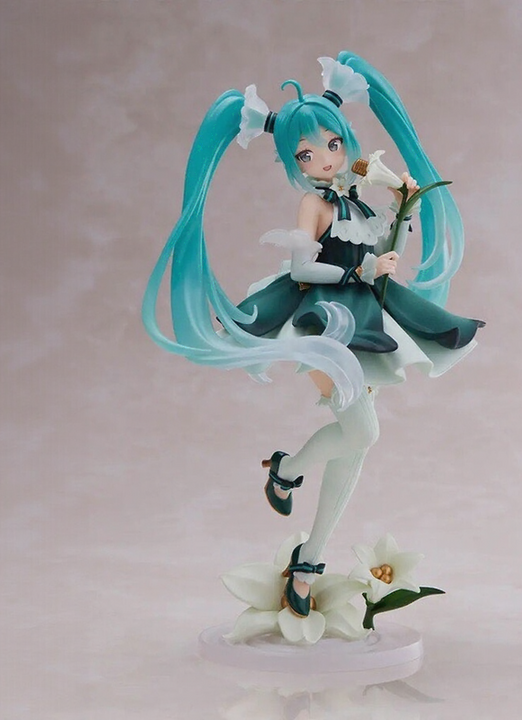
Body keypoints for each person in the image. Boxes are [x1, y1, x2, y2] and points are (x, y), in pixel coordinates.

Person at [143, 52, 483, 619]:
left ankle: (309, 559)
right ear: (292, 161)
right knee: (364, 432)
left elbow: (382, 245)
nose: (324, 159)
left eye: (332, 145)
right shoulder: (312, 204)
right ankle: (288, 470)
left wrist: (402, 210)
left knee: (356, 441)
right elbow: (304, 269)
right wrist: (362, 269)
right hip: (329, 322)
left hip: (369, 316)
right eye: (306, 153)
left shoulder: (355, 196)